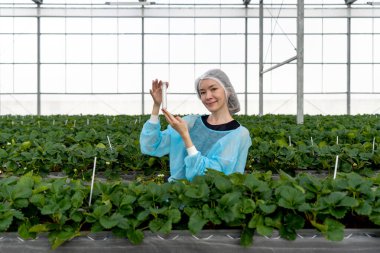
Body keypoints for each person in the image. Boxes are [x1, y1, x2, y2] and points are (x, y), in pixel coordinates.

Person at [140, 68, 252, 182]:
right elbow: (151, 146)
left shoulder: (239, 134)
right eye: (202, 92)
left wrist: (185, 136)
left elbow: (211, 176)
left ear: (227, 91)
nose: (208, 96)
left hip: (209, 199)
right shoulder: (190, 123)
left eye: (213, 89)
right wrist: (156, 105)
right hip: (176, 194)